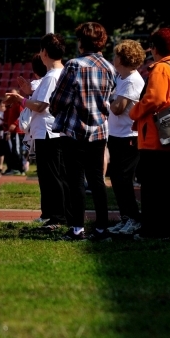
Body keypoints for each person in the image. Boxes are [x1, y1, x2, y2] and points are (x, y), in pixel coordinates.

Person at [49, 22, 116, 241]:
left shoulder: (74, 65)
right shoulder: (109, 67)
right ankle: (101, 228)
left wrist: (54, 106)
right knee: (97, 179)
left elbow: (59, 99)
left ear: (81, 42)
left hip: (74, 130)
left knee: (75, 180)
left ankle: (77, 228)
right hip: (99, 130)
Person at [129, 29, 170, 239]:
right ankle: (168, 229)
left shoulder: (161, 68)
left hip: (156, 137)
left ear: (155, 47)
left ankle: (153, 230)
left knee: (153, 189)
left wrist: (134, 112)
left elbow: (154, 99)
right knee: (169, 187)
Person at [6, 33, 67, 228]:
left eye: (41, 50)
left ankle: (58, 216)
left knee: (52, 176)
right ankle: (52, 214)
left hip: (49, 131)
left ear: (45, 52)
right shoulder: (56, 75)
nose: (40, 54)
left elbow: (41, 106)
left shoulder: (51, 77)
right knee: (50, 175)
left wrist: (20, 100)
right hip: (49, 130)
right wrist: (27, 94)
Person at [105, 39, 146, 236]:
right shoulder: (122, 78)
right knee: (117, 179)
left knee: (124, 180)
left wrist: (106, 101)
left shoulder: (132, 80)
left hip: (128, 136)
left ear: (122, 58)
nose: (113, 58)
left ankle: (133, 219)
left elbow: (118, 108)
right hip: (117, 134)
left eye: (116, 55)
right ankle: (125, 217)